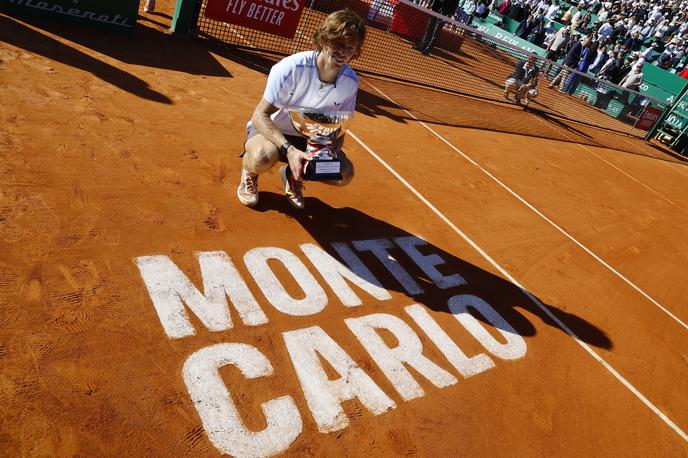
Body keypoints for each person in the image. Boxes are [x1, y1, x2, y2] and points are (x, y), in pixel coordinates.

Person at [236, 10, 366, 210]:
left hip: (311, 139)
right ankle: (249, 174)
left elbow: (339, 128)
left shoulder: (351, 82)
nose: (343, 52)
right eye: (339, 44)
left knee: (344, 172)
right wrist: (289, 150)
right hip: (272, 133)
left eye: (350, 48)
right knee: (263, 156)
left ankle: (292, 175)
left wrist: (325, 153)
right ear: (324, 39)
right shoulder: (291, 67)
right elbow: (259, 115)